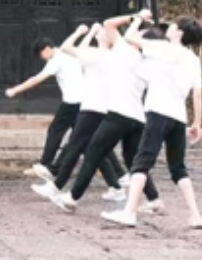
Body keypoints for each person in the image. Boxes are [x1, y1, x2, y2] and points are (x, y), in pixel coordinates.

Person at [46, 11, 152, 212]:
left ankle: (68, 194)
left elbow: (69, 47)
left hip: (112, 112)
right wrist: (136, 24)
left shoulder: (116, 52)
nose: (103, 30)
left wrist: (136, 17)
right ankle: (150, 197)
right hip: (133, 116)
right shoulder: (136, 58)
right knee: (129, 159)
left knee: (91, 151)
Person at [105, 19, 202, 229]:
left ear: (179, 33)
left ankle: (129, 212)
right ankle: (196, 215)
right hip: (179, 117)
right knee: (178, 168)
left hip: (158, 112)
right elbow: (197, 93)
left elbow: (129, 38)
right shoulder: (193, 59)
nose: (169, 28)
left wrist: (137, 19)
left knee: (141, 162)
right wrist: (197, 122)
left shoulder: (162, 48)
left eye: (173, 26)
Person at [8, 28, 87, 183]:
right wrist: (81, 32)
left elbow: (36, 79)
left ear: (46, 49)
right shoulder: (68, 52)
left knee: (55, 131)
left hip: (72, 103)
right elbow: (78, 43)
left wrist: (15, 90)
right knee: (82, 139)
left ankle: (45, 165)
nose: (42, 58)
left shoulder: (55, 61)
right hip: (84, 101)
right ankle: (115, 174)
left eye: (41, 54)